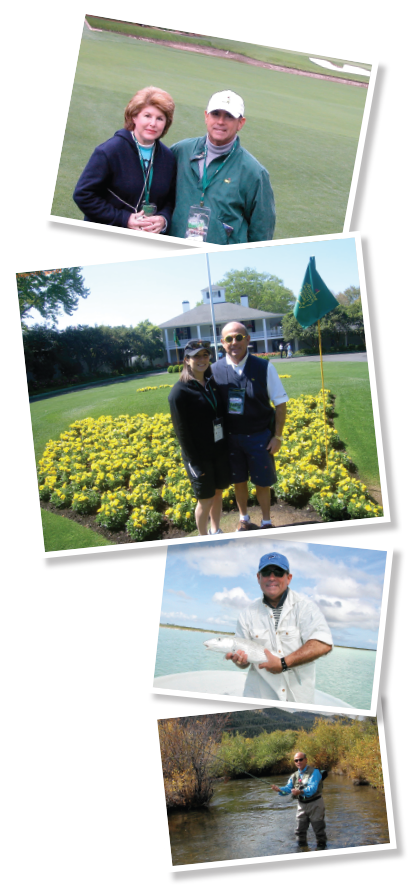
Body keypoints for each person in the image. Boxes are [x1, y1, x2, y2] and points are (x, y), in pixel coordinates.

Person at [169, 90, 275, 245]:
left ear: (241, 123)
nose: (220, 121)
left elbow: (262, 231)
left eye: (229, 116)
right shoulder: (180, 152)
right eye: (216, 114)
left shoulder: (254, 172)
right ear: (206, 116)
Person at [226, 551, 333, 702]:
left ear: (288, 578)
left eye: (278, 572)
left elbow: (323, 643)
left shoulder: (305, 607)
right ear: (259, 577)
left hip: (298, 702)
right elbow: (243, 663)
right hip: (258, 699)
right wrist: (240, 661)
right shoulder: (247, 614)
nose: (271, 577)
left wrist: (283, 664)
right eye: (266, 572)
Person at [211, 322, 288, 530]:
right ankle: (244, 519)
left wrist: (277, 436)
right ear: (222, 343)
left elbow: (280, 404)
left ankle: (266, 521)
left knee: (262, 482)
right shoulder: (214, 370)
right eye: (228, 339)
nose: (233, 342)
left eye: (238, 337)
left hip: (259, 437)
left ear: (248, 340)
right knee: (239, 482)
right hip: (231, 439)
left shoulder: (264, 367)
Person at [73, 86, 177, 234]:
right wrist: (124, 218)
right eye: (147, 116)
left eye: (160, 118)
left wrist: (163, 219)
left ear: (166, 123)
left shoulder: (168, 158)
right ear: (134, 116)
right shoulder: (109, 151)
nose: (153, 123)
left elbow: (170, 201)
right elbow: (83, 195)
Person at [168, 340, 231, 535]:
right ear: (187, 360)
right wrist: (194, 463)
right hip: (198, 457)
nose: (202, 359)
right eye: (196, 356)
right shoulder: (179, 392)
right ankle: (203, 539)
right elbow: (182, 433)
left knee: (218, 492)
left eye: (205, 355)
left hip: (218, 451)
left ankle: (215, 530)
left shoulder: (212, 383)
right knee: (205, 499)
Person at [271, 751, 327, 850]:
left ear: (306, 760)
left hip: (315, 804)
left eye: (300, 759)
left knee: (319, 831)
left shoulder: (315, 772)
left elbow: (312, 789)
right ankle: (302, 850)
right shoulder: (294, 775)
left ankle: (322, 849)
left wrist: (300, 792)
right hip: (301, 805)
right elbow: (288, 789)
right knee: (299, 831)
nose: (298, 762)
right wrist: (279, 789)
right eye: (296, 760)